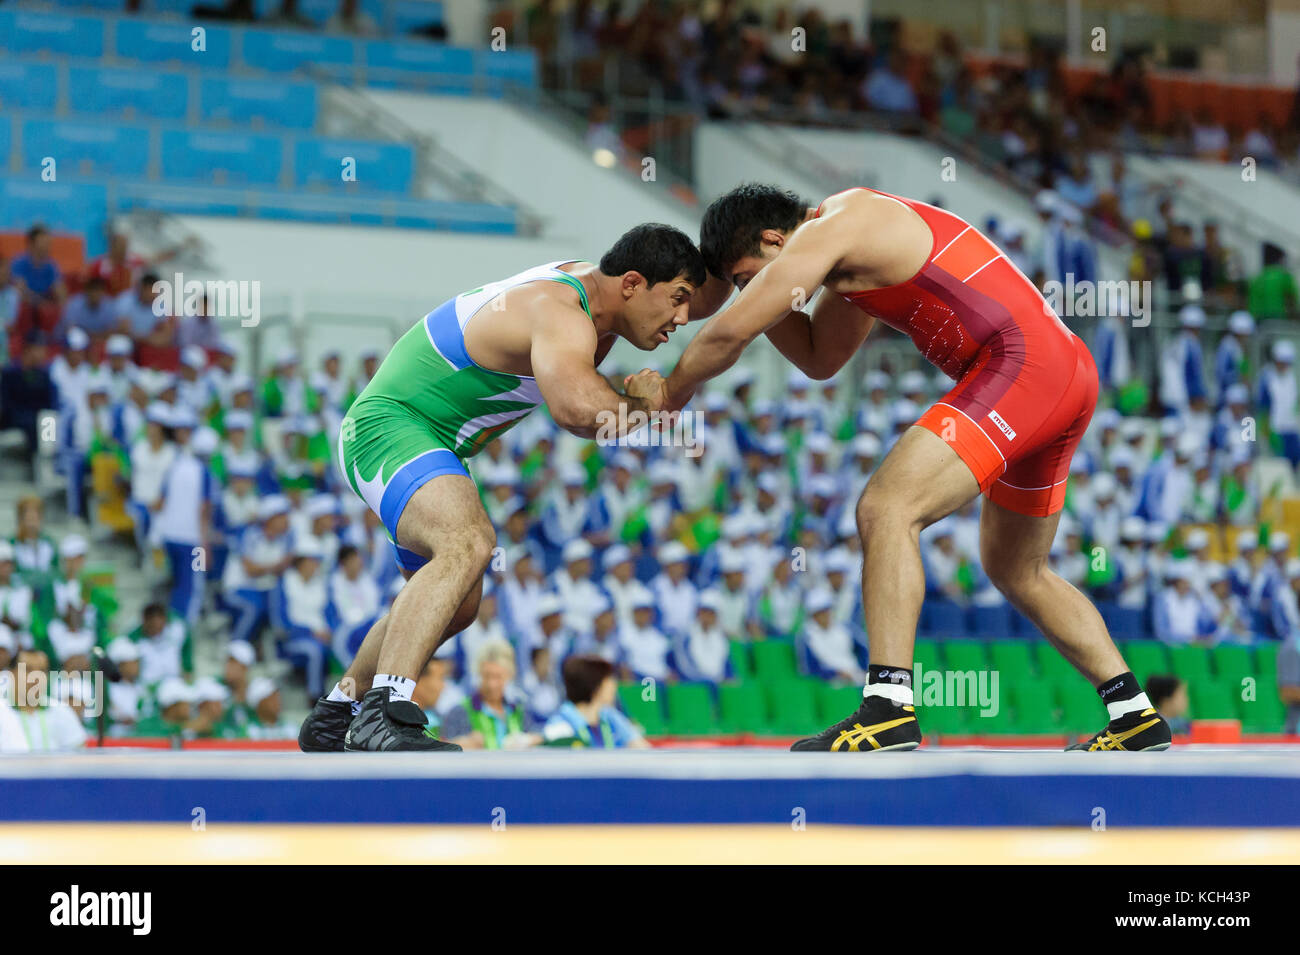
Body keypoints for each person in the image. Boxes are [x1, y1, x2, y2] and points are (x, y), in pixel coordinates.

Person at [661, 183, 1172, 753]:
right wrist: (757, 290)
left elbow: (732, 331)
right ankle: (1134, 714)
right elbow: (818, 358)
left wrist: (665, 397)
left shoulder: (839, 221)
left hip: (1024, 365)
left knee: (886, 508)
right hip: (1061, 374)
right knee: (1014, 567)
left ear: (777, 239)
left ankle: (887, 707)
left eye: (749, 276)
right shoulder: (846, 260)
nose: (753, 293)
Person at [299, 224, 722, 752]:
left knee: (457, 604)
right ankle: (384, 711)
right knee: (468, 543)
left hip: (428, 438)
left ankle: (339, 711)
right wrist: (642, 405)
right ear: (633, 283)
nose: (683, 319)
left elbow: (706, 301)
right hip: (392, 424)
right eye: (678, 300)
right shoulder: (560, 310)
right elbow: (576, 411)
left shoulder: (600, 298)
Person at [541, 655, 649, 748]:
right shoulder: (560, 724)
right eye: (610, 680)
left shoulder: (610, 716)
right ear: (597, 686)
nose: (615, 686)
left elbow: (642, 748)